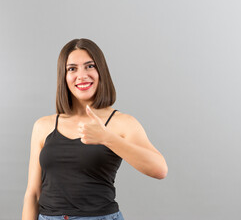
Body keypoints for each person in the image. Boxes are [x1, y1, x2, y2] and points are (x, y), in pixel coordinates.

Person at [22, 38, 168, 220]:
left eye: (90, 66)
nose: (82, 75)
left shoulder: (121, 123)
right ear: (64, 76)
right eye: (72, 69)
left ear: (101, 71)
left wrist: (107, 138)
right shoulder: (44, 126)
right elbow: (33, 193)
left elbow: (160, 169)